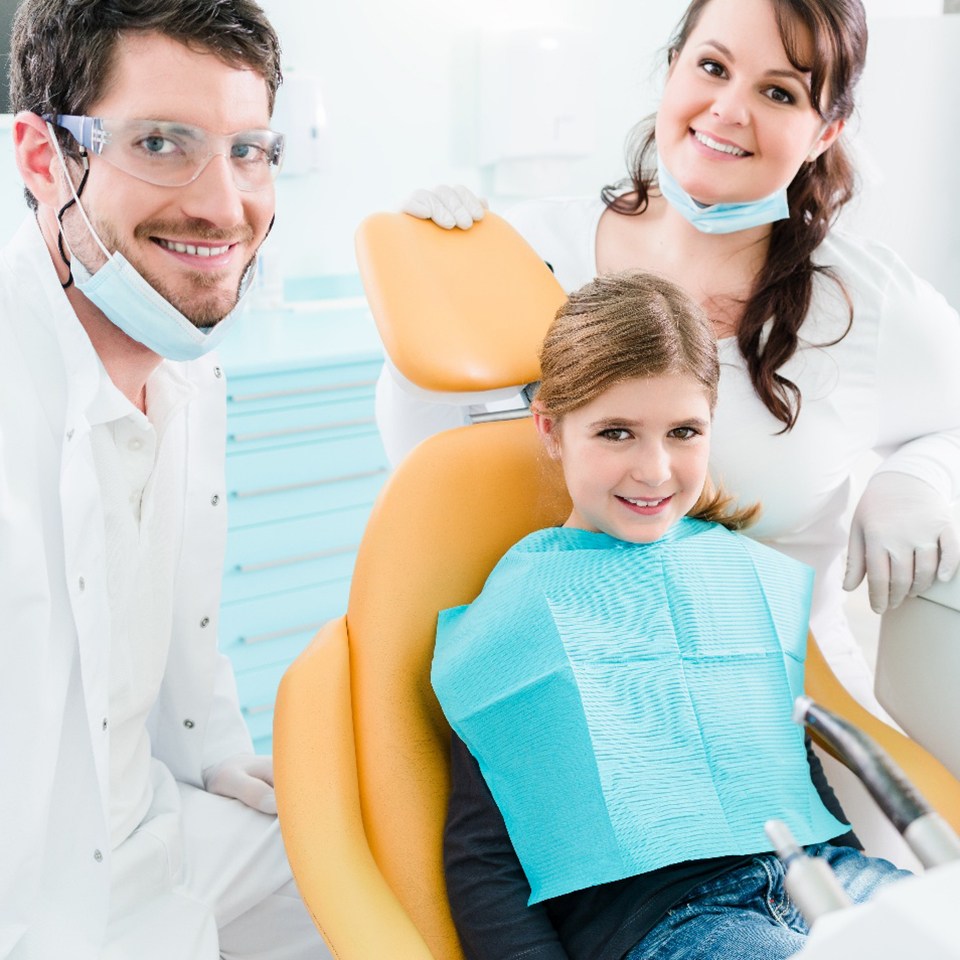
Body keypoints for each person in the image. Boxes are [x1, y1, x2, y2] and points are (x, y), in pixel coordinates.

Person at [385, 0, 960, 716]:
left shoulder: (862, 301)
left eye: (779, 92)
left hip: (782, 709)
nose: (729, 110)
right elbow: (422, 461)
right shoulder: (525, 249)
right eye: (713, 67)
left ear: (826, 132)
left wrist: (916, 477)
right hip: (553, 697)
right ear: (671, 69)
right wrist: (427, 289)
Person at [430, 271, 909, 960]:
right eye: (616, 433)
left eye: (683, 431)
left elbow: (792, 773)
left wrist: (864, 905)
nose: (654, 470)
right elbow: (483, 859)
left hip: (822, 874)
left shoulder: (738, 572)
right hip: (673, 922)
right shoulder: (518, 619)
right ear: (551, 430)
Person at [0, 2, 328, 957]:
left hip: (154, 832)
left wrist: (218, 752)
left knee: (412, 880)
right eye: (159, 143)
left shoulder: (183, 369)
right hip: (33, 902)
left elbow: (169, 628)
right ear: (42, 158)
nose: (224, 206)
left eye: (248, 151)